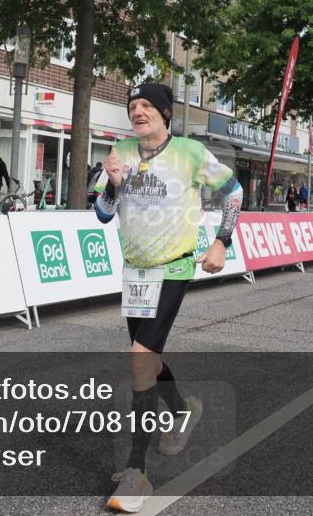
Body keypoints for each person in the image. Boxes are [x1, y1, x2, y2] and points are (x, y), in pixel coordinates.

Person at [93, 83, 243, 513]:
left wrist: (221, 242)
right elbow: (103, 214)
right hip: (135, 271)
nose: (138, 112)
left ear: (164, 113)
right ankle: (183, 408)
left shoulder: (190, 152)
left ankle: (136, 472)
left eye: (146, 106)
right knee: (149, 357)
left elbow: (233, 192)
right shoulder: (120, 150)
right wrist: (113, 185)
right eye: (132, 107)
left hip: (174, 265)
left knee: (140, 358)